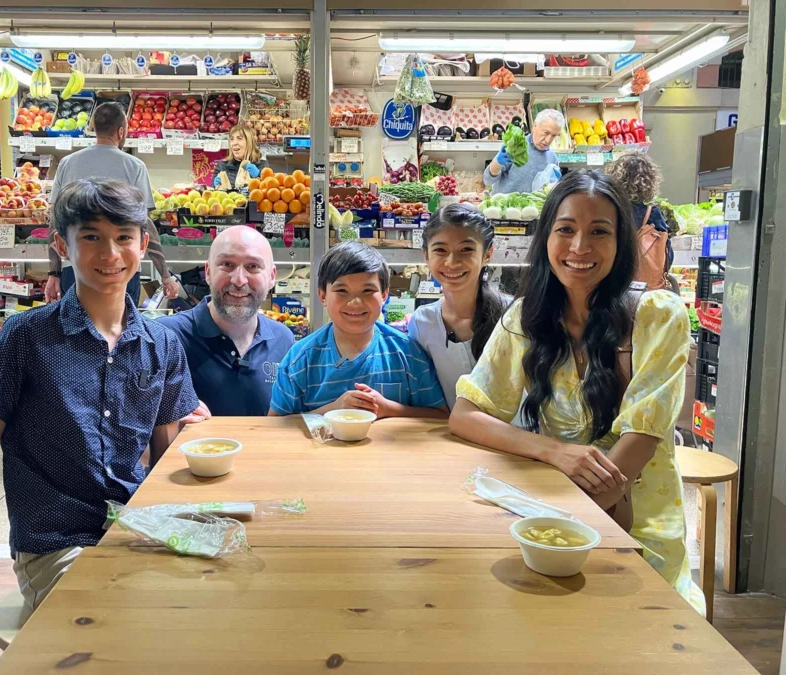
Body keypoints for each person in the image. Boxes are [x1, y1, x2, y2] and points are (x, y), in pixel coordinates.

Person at [0, 180, 201, 652]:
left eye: (123, 236)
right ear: (62, 245)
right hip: (54, 543)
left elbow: (164, 459)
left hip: (134, 530)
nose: (110, 253)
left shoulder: (162, 345)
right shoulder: (26, 337)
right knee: (119, 633)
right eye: (91, 236)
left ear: (142, 244)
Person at [448, 170, 704, 614]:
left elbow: (640, 443)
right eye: (566, 229)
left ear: (621, 243)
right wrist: (555, 452)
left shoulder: (658, 315)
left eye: (599, 232)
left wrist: (557, 527)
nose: (580, 246)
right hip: (552, 513)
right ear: (546, 238)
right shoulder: (526, 318)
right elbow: (466, 415)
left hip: (635, 531)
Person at [269, 242, 448, 418]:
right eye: (342, 291)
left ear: (384, 295)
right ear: (323, 296)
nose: (355, 302)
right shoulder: (300, 360)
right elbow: (274, 425)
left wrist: (389, 409)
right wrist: (331, 410)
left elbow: (440, 416)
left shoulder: (408, 353)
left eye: (367, 290)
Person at [44, 102, 180, 304]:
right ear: (121, 131)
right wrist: (165, 276)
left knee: (77, 321)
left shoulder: (67, 163)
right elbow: (144, 224)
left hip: (76, 266)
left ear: (94, 128)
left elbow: (55, 222)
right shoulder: (134, 166)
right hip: (121, 267)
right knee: (121, 322)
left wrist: (53, 273)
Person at [158, 226, 294, 417]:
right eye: (227, 264)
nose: (239, 280)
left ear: (271, 277)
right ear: (208, 272)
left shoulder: (283, 340)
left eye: (253, 266)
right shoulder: (165, 337)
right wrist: (166, 416)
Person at [407, 204, 507, 409]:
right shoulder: (422, 323)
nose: (452, 262)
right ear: (426, 255)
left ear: (487, 254)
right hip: (448, 429)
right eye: (440, 250)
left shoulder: (514, 316)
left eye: (466, 249)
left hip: (513, 429)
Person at [605, 152, 675, 290]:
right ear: (650, 182)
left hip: (611, 284)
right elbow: (666, 253)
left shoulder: (607, 211)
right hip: (644, 288)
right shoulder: (652, 213)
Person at [484, 109, 563, 195]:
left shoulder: (552, 159)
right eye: (546, 133)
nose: (548, 140)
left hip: (532, 204)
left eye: (553, 135)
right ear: (534, 126)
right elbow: (487, 180)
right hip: (503, 202)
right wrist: (497, 163)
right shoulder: (516, 145)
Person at [213, 124, 268, 189]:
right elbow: (214, 192)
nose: (234, 143)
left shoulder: (262, 165)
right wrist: (215, 185)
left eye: (239, 138)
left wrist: (259, 175)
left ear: (249, 142)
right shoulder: (222, 166)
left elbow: (268, 190)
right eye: (232, 139)